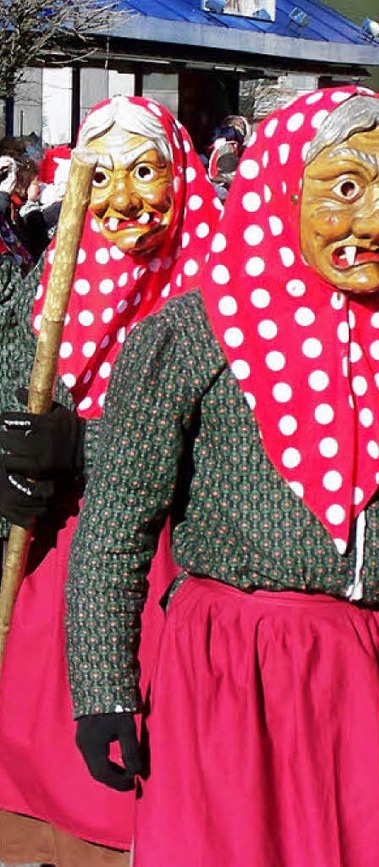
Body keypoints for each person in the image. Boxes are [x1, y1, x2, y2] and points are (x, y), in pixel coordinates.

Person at [67, 86, 379, 867]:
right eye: (345, 187)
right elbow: (115, 527)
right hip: (234, 679)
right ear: (281, 186)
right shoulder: (190, 336)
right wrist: (103, 688)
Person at [0, 94, 221, 866]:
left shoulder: (220, 294)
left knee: (160, 773)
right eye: (101, 176)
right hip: (58, 558)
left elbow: (229, 441)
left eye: (145, 169)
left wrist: (85, 444)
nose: (122, 198)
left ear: (182, 175)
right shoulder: (41, 291)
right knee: (42, 750)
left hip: (172, 559)